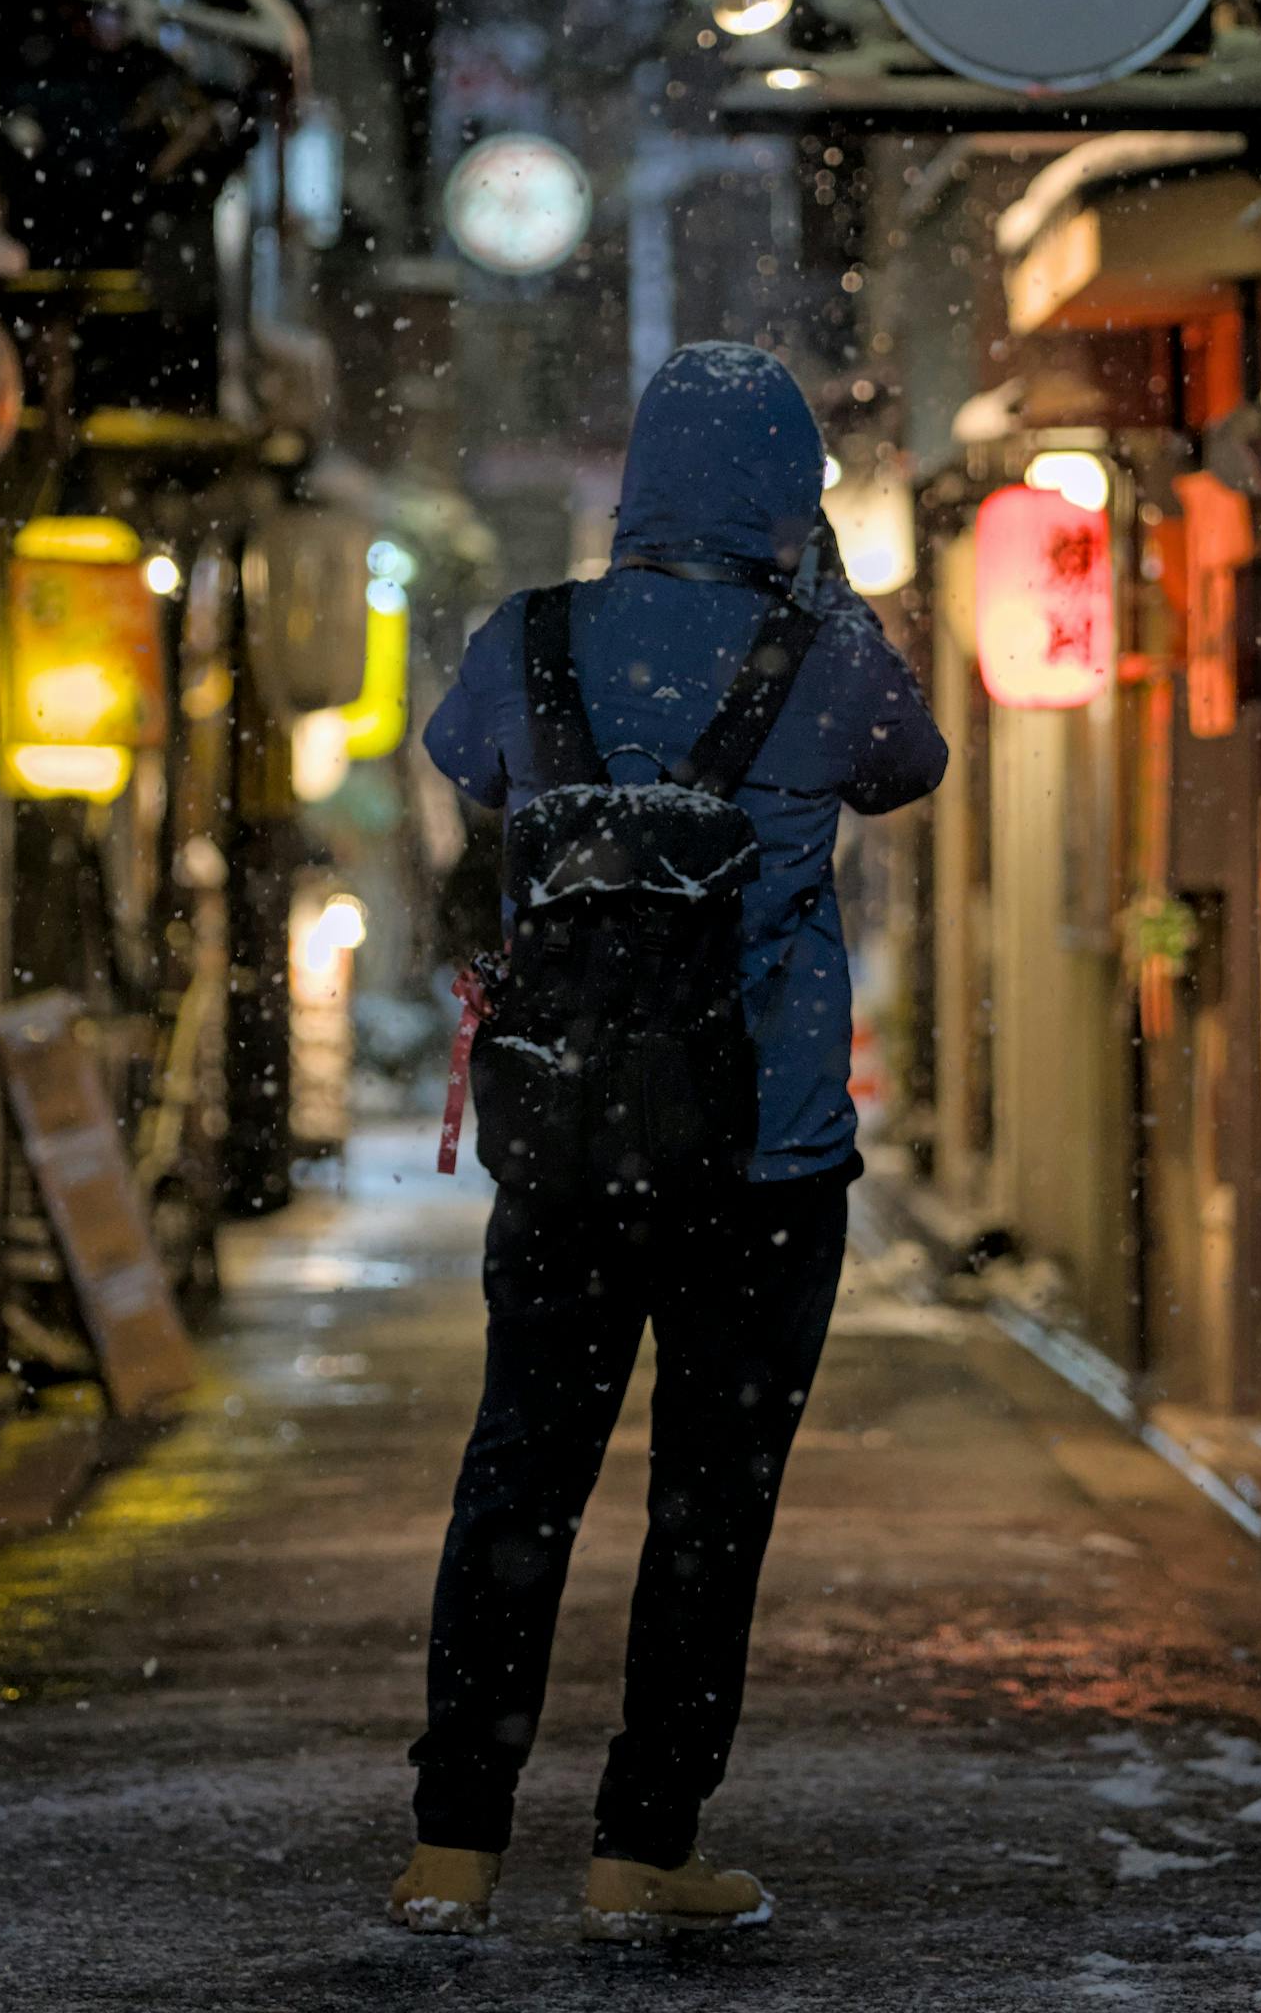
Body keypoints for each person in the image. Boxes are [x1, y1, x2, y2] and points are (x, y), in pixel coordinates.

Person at [390, 342, 948, 1942]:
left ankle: (454, 1846)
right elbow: (909, 767)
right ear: (785, 495)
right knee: (711, 1504)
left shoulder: (532, 638)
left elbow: (466, 769)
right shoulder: (821, 657)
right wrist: (825, 595)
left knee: (518, 1481)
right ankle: (641, 1850)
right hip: (763, 1159)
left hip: (569, 1143)